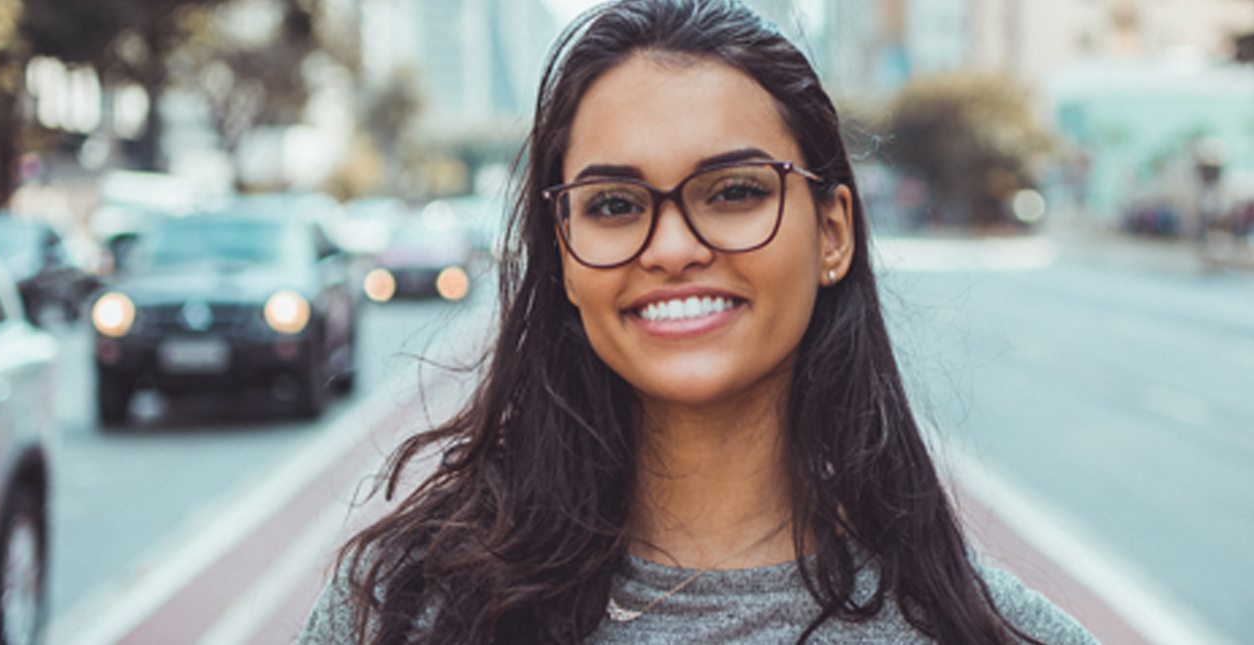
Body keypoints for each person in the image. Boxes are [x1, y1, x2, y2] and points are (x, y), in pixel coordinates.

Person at [299, 1, 1100, 643]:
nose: (674, 247)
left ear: (832, 233)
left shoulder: (990, 630)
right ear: (565, 254)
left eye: (735, 191)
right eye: (614, 205)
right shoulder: (401, 607)